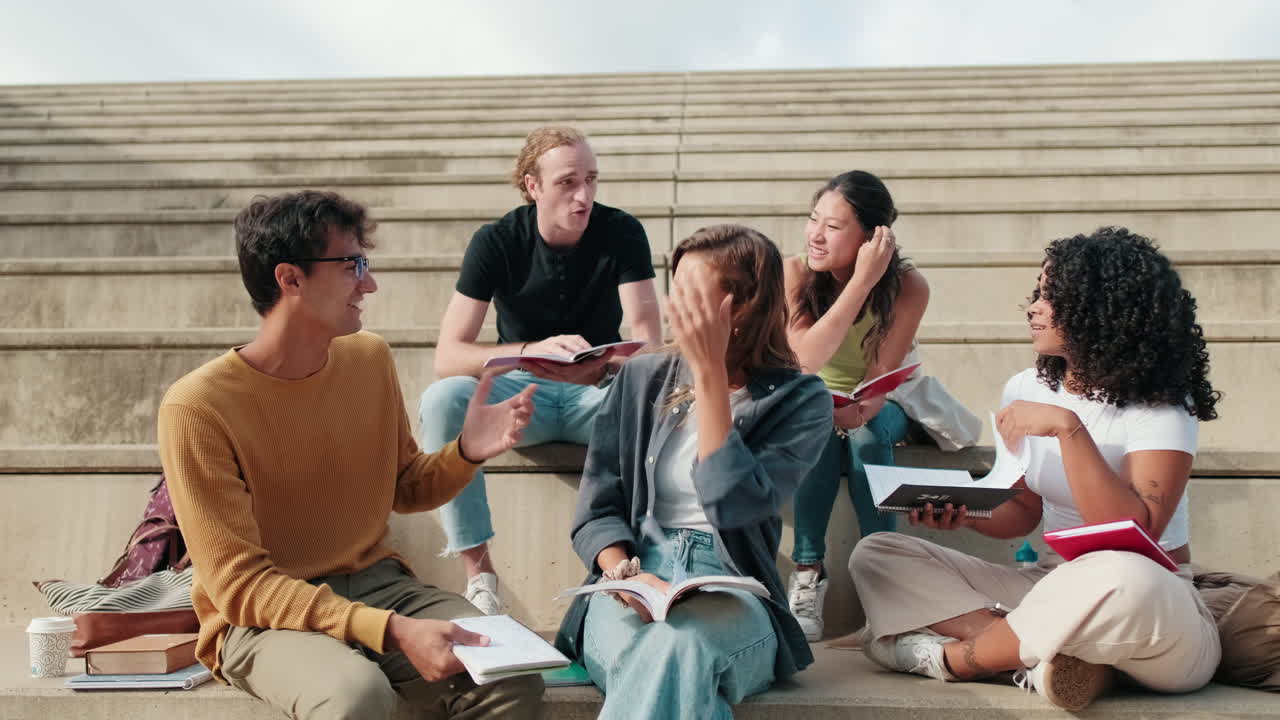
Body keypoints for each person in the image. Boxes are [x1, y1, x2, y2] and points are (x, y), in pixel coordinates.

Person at [158, 191, 544, 720]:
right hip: (263, 619)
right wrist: (389, 630)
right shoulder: (197, 407)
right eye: (352, 265)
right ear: (290, 279)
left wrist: (467, 450)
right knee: (356, 697)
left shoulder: (367, 358)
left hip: (382, 587)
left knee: (509, 674)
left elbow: (404, 487)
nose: (370, 283)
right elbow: (239, 587)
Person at [849, 227, 1223, 711]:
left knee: (1126, 576)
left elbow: (1136, 531)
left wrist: (1068, 429)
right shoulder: (1028, 386)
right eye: (1039, 292)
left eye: (1052, 296)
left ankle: (957, 659)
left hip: (1150, 597)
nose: (1034, 307)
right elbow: (1024, 511)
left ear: (1100, 309)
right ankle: (1054, 660)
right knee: (877, 554)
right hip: (1048, 585)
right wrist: (965, 513)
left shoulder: (1163, 405)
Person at [554, 224, 833, 719]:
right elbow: (598, 504)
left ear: (741, 307)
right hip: (632, 580)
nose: (671, 306)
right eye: (673, 289)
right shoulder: (642, 378)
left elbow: (733, 503)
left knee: (676, 651)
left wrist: (708, 377)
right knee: (677, 669)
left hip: (731, 588)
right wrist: (621, 574)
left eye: (689, 294)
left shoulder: (800, 400)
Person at [419, 125, 662, 614]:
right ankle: (480, 577)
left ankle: (637, 565)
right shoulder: (496, 240)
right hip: (520, 392)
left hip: (597, 393)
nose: (584, 195)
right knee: (441, 399)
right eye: (568, 182)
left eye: (591, 180)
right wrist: (530, 350)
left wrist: (601, 364)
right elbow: (449, 354)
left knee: (662, 405)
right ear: (533, 186)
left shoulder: (622, 231)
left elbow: (650, 342)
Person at [782, 170, 977, 641]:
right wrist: (858, 283)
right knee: (818, 426)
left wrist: (857, 410)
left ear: (873, 238)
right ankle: (808, 569)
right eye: (814, 220)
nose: (816, 234)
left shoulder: (909, 286)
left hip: (880, 403)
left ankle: (886, 575)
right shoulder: (793, 272)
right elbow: (806, 359)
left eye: (833, 226)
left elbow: (879, 378)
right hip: (815, 400)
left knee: (867, 435)